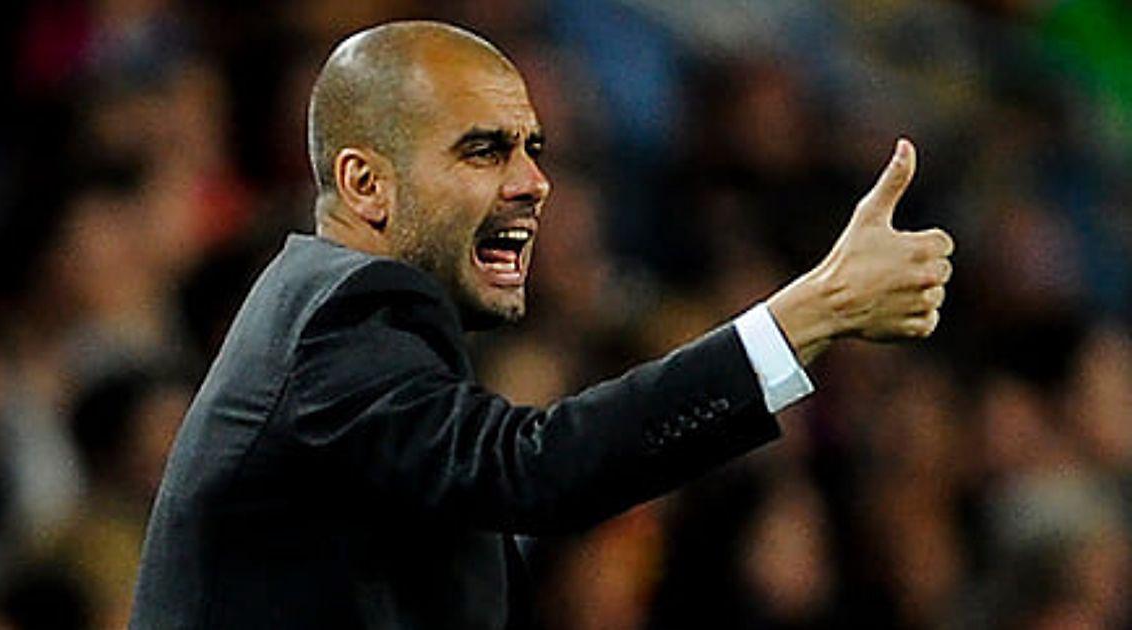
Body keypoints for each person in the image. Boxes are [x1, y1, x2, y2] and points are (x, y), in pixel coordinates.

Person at [130, 20, 954, 629]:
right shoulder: (339, 315)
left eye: (533, 147)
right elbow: (532, 469)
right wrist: (806, 315)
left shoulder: (338, 320)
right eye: (484, 150)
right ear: (365, 184)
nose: (534, 182)